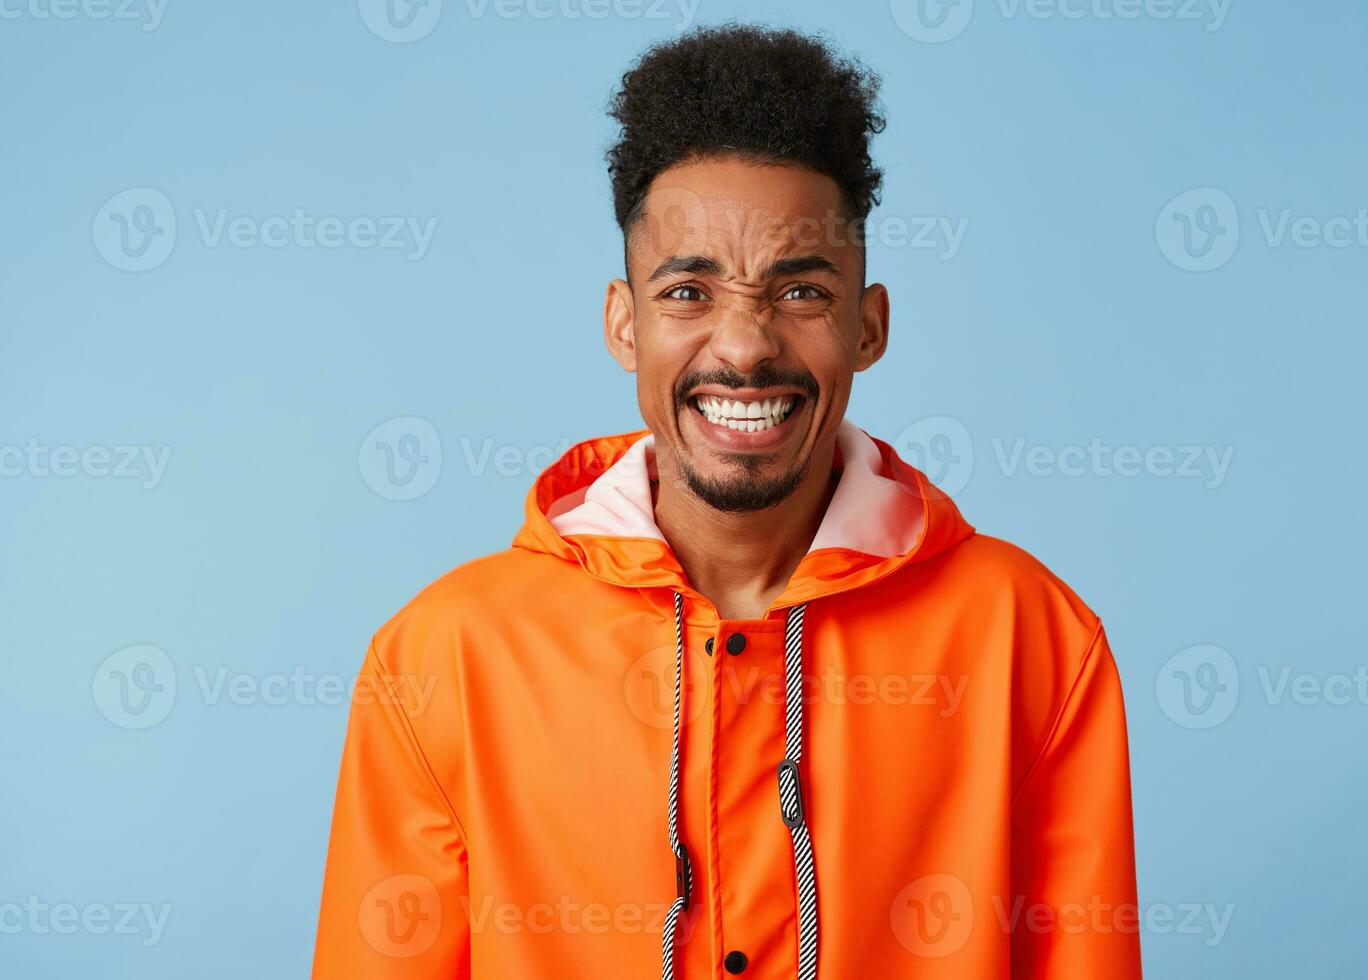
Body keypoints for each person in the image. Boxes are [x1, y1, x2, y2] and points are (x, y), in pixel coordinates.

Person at [312, 24, 1142, 979]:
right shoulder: (442, 659)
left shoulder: (1031, 641)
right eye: (688, 291)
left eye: (798, 290)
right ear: (625, 324)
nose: (744, 346)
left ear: (867, 327)